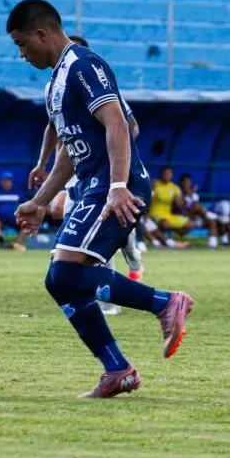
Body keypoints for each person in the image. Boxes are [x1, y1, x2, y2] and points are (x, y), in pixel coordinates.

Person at [7, 0, 193, 397]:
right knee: (60, 281)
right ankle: (118, 370)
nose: (21, 55)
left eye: (22, 45)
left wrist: (118, 185)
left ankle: (165, 303)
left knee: (66, 274)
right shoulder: (55, 82)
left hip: (114, 184)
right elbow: (70, 154)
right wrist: (40, 201)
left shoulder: (83, 65)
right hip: (95, 182)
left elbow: (119, 124)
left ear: (42, 34)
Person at [29, 35, 144, 287]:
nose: (22, 54)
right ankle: (104, 297)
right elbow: (53, 128)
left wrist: (114, 159)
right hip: (75, 168)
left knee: (93, 252)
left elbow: (126, 126)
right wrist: (41, 164)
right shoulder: (52, 89)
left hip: (106, 169)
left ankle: (134, 262)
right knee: (64, 264)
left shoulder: (92, 79)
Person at [149, 166, 194, 237]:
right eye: (165, 173)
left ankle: (176, 237)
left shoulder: (175, 188)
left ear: (172, 175)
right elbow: (149, 199)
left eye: (169, 173)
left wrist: (187, 198)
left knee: (191, 224)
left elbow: (180, 205)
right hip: (154, 214)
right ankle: (158, 239)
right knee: (165, 223)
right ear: (161, 174)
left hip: (168, 215)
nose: (167, 175)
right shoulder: (155, 184)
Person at [179, 173, 218, 248]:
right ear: (181, 183)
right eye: (185, 183)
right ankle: (207, 213)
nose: (187, 185)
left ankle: (212, 245)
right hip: (183, 218)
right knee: (198, 208)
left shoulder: (194, 195)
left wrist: (191, 195)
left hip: (194, 218)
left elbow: (195, 208)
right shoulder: (178, 192)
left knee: (212, 220)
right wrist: (188, 196)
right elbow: (180, 207)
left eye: (188, 183)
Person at [0, 171, 27, 251]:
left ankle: (16, 244)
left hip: (15, 218)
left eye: (9, 181)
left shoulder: (18, 193)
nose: (7, 183)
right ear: (1, 181)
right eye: (5, 180)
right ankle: (2, 242)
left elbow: (26, 205)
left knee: (27, 222)